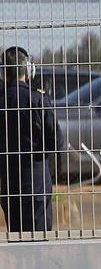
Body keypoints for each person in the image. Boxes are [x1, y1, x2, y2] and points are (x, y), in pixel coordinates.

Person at [0, 46, 64, 234]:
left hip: (9, 184)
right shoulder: (38, 100)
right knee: (38, 241)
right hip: (36, 184)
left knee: (16, 239)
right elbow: (57, 143)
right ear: (28, 70)